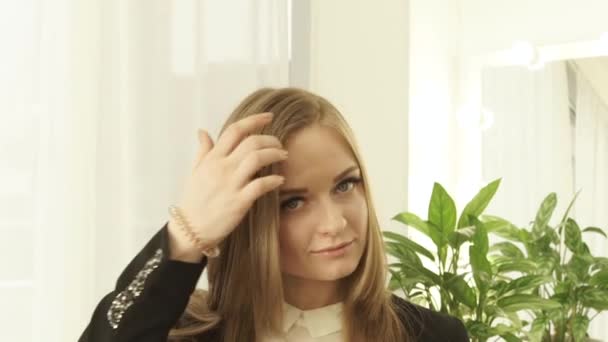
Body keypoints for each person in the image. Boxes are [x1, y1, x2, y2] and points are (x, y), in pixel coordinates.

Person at [79, 88, 469, 342]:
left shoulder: (434, 336)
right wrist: (188, 232)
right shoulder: (184, 330)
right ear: (248, 214)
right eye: (293, 202)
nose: (334, 224)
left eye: (345, 185)